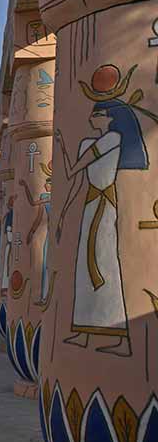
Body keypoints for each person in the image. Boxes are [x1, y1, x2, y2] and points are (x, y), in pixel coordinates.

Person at [54, 64, 156, 357]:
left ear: (110, 117)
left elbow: (75, 168)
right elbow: (76, 180)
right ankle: (86, 332)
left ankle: (121, 338)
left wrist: (61, 146)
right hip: (90, 204)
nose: (91, 117)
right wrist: (61, 215)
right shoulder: (90, 141)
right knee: (85, 271)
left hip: (103, 205)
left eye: (97, 114)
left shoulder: (113, 139)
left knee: (105, 264)